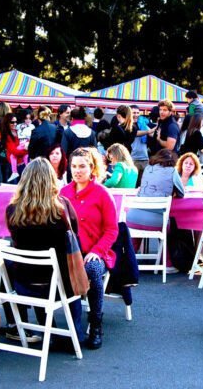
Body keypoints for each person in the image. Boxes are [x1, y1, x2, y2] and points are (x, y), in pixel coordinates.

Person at [5, 158, 86, 350]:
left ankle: (47, 330)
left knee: (38, 268)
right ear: (51, 179)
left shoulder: (12, 210)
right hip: (59, 285)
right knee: (66, 264)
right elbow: (74, 235)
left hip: (24, 283)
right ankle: (76, 331)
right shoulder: (62, 208)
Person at [60, 147, 118, 349]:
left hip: (96, 251)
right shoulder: (64, 193)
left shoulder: (103, 194)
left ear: (92, 168)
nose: (77, 171)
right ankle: (69, 327)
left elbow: (112, 230)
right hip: (70, 252)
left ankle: (95, 324)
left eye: (82, 166)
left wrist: (96, 252)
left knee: (92, 269)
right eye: (74, 166)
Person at [126, 149, 185, 238]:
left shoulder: (147, 168)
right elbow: (181, 193)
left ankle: (132, 251)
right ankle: (164, 252)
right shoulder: (172, 171)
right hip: (157, 222)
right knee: (169, 228)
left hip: (132, 217)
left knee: (139, 230)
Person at [1, 112, 29, 182]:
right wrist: (27, 150)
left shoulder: (18, 131)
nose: (15, 124)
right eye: (12, 122)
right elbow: (15, 151)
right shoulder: (7, 135)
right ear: (7, 123)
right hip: (12, 165)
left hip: (21, 163)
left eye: (16, 122)